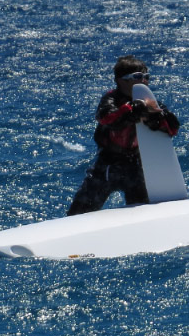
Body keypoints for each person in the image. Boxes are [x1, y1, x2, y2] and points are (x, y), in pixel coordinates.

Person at [67, 56, 180, 216]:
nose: (144, 81)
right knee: (79, 212)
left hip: (135, 164)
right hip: (108, 163)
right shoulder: (111, 99)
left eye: (146, 77)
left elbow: (172, 129)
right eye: (137, 77)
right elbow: (106, 118)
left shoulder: (150, 102)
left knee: (142, 211)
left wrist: (157, 119)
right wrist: (130, 110)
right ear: (121, 81)